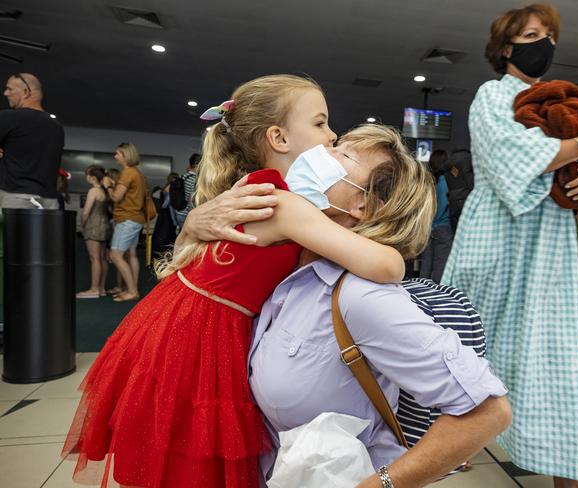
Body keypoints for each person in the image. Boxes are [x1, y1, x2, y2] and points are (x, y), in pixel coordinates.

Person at [62, 74, 406, 488]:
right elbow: (387, 266)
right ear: (278, 137)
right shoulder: (286, 205)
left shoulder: (256, 188)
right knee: (198, 448)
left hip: (172, 317)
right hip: (205, 331)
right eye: (320, 123)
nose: (332, 136)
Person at [245, 124, 511, 487]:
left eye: (343, 156)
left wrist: (378, 484)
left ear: (363, 204)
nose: (323, 153)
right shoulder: (292, 271)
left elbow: (487, 413)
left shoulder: (360, 295)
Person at [441, 4, 578, 487]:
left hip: (548, 247)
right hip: (495, 242)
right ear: (507, 47)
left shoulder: (563, 101)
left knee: (552, 353)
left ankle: (563, 469)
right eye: (532, 34)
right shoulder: (492, 96)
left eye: (549, 35)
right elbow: (518, 157)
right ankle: (448, 441)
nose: (544, 43)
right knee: (466, 346)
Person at [0, 73, 64, 209]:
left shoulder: (8, 118)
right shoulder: (57, 126)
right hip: (50, 202)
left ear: (25, 92)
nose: (5, 93)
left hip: (16, 199)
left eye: (10, 89)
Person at [102, 142, 147, 302]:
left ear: (126, 155)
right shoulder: (138, 174)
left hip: (127, 219)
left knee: (115, 255)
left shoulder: (127, 173)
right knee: (132, 255)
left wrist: (108, 186)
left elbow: (115, 197)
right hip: (136, 219)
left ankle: (132, 291)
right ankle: (130, 288)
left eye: (118, 154)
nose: (115, 157)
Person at [77, 165, 111, 299]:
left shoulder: (93, 191)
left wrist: (82, 225)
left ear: (92, 177)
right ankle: (101, 288)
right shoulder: (104, 191)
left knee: (94, 259)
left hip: (93, 226)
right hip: (104, 226)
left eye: (87, 175)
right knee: (102, 258)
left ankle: (94, 289)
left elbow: (86, 212)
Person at [420, 149, 454, 283]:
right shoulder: (445, 181)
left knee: (426, 265)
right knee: (440, 266)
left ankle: (419, 293)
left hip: (430, 229)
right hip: (443, 228)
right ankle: (436, 296)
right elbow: (444, 205)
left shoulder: (432, 182)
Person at [151, 173, 180, 256]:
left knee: (161, 233)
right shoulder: (171, 187)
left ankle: (159, 253)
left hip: (163, 214)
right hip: (168, 214)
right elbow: (166, 203)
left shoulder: (164, 187)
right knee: (167, 234)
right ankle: (165, 253)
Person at [446, 148, 474, 232]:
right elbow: (470, 183)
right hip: (466, 199)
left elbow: (440, 171)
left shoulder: (449, 162)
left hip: (453, 201)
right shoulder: (469, 159)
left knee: (455, 232)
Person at [171, 153, 200, 229]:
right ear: (198, 165)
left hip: (179, 212)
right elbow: (191, 199)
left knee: (182, 235)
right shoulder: (195, 180)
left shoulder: (181, 177)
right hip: (187, 214)